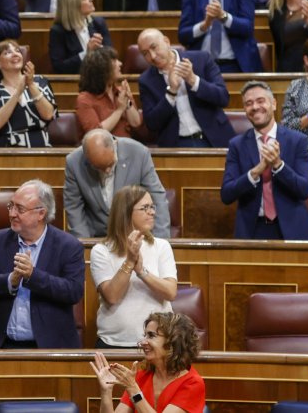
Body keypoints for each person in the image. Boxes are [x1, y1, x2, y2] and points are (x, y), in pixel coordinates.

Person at [0, 180, 85, 349]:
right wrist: (10, 281)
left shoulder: (68, 245)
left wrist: (33, 275)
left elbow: (73, 292)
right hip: (5, 346)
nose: (12, 214)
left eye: (20, 209)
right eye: (11, 206)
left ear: (41, 213)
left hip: (51, 348)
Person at [222, 81, 308, 240]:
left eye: (260, 101)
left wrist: (279, 165)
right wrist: (256, 171)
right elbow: (227, 194)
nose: (255, 107)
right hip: (252, 230)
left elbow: (305, 189)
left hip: (292, 229)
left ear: (273, 104)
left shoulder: (297, 141)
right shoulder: (237, 145)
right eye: (248, 103)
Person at [89, 186, 177, 348]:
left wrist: (142, 272)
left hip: (157, 344)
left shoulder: (161, 246)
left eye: (152, 206)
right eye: (145, 208)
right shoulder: (101, 251)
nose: (152, 212)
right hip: (115, 343)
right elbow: (112, 296)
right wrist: (129, 262)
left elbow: (171, 292)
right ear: (126, 212)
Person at [136, 28, 235, 148]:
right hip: (177, 145)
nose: (152, 56)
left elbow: (223, 98)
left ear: (166, 42)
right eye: (145, 53)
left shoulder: (201, 59)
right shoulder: (146, 81)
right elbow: (152, 124)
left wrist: (193, 80)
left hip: (213, 137)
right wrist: (171, 92)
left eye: (154, 47)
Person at [90, 312, 205, 413]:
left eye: (151, 336)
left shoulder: (192, 383)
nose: (143, 342)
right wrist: (106, 391)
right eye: (144, 336)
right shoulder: (141, 377)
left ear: (173, 341)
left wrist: (134, 390)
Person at [65, 129, 168, 239]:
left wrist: (161, 242)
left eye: (110, 164)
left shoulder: (139, 153)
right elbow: (74, 206)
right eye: (99, 168)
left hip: (135, 236)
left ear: (115, 145)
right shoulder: (74, 162)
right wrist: (84, 245)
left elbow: (157, 197)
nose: (107, 171)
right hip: (97, 239)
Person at [0, 39, 57, 148]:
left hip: (40, 147)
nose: (15, 54)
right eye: (7, 52)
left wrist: (31, 85)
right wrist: (18, 92)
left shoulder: (40, 82)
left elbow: (48, 115)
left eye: (17, 51)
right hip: (6, 150)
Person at [76, 47, 142, 137]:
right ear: (102, 69)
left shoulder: (120, 91)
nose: (120, 63)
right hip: (102, 149)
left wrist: (127, 103)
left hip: (126, 146)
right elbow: (96, 134)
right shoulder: (84, 99)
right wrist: (119, 110)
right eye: (115, 61)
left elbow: (136, 123)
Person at [49, 0, 109, 74]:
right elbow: (59, 67)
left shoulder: (99, 23)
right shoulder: (58, 31)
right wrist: (86, 53)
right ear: (73, 5)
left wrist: (101, 50)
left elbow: (111, 57)